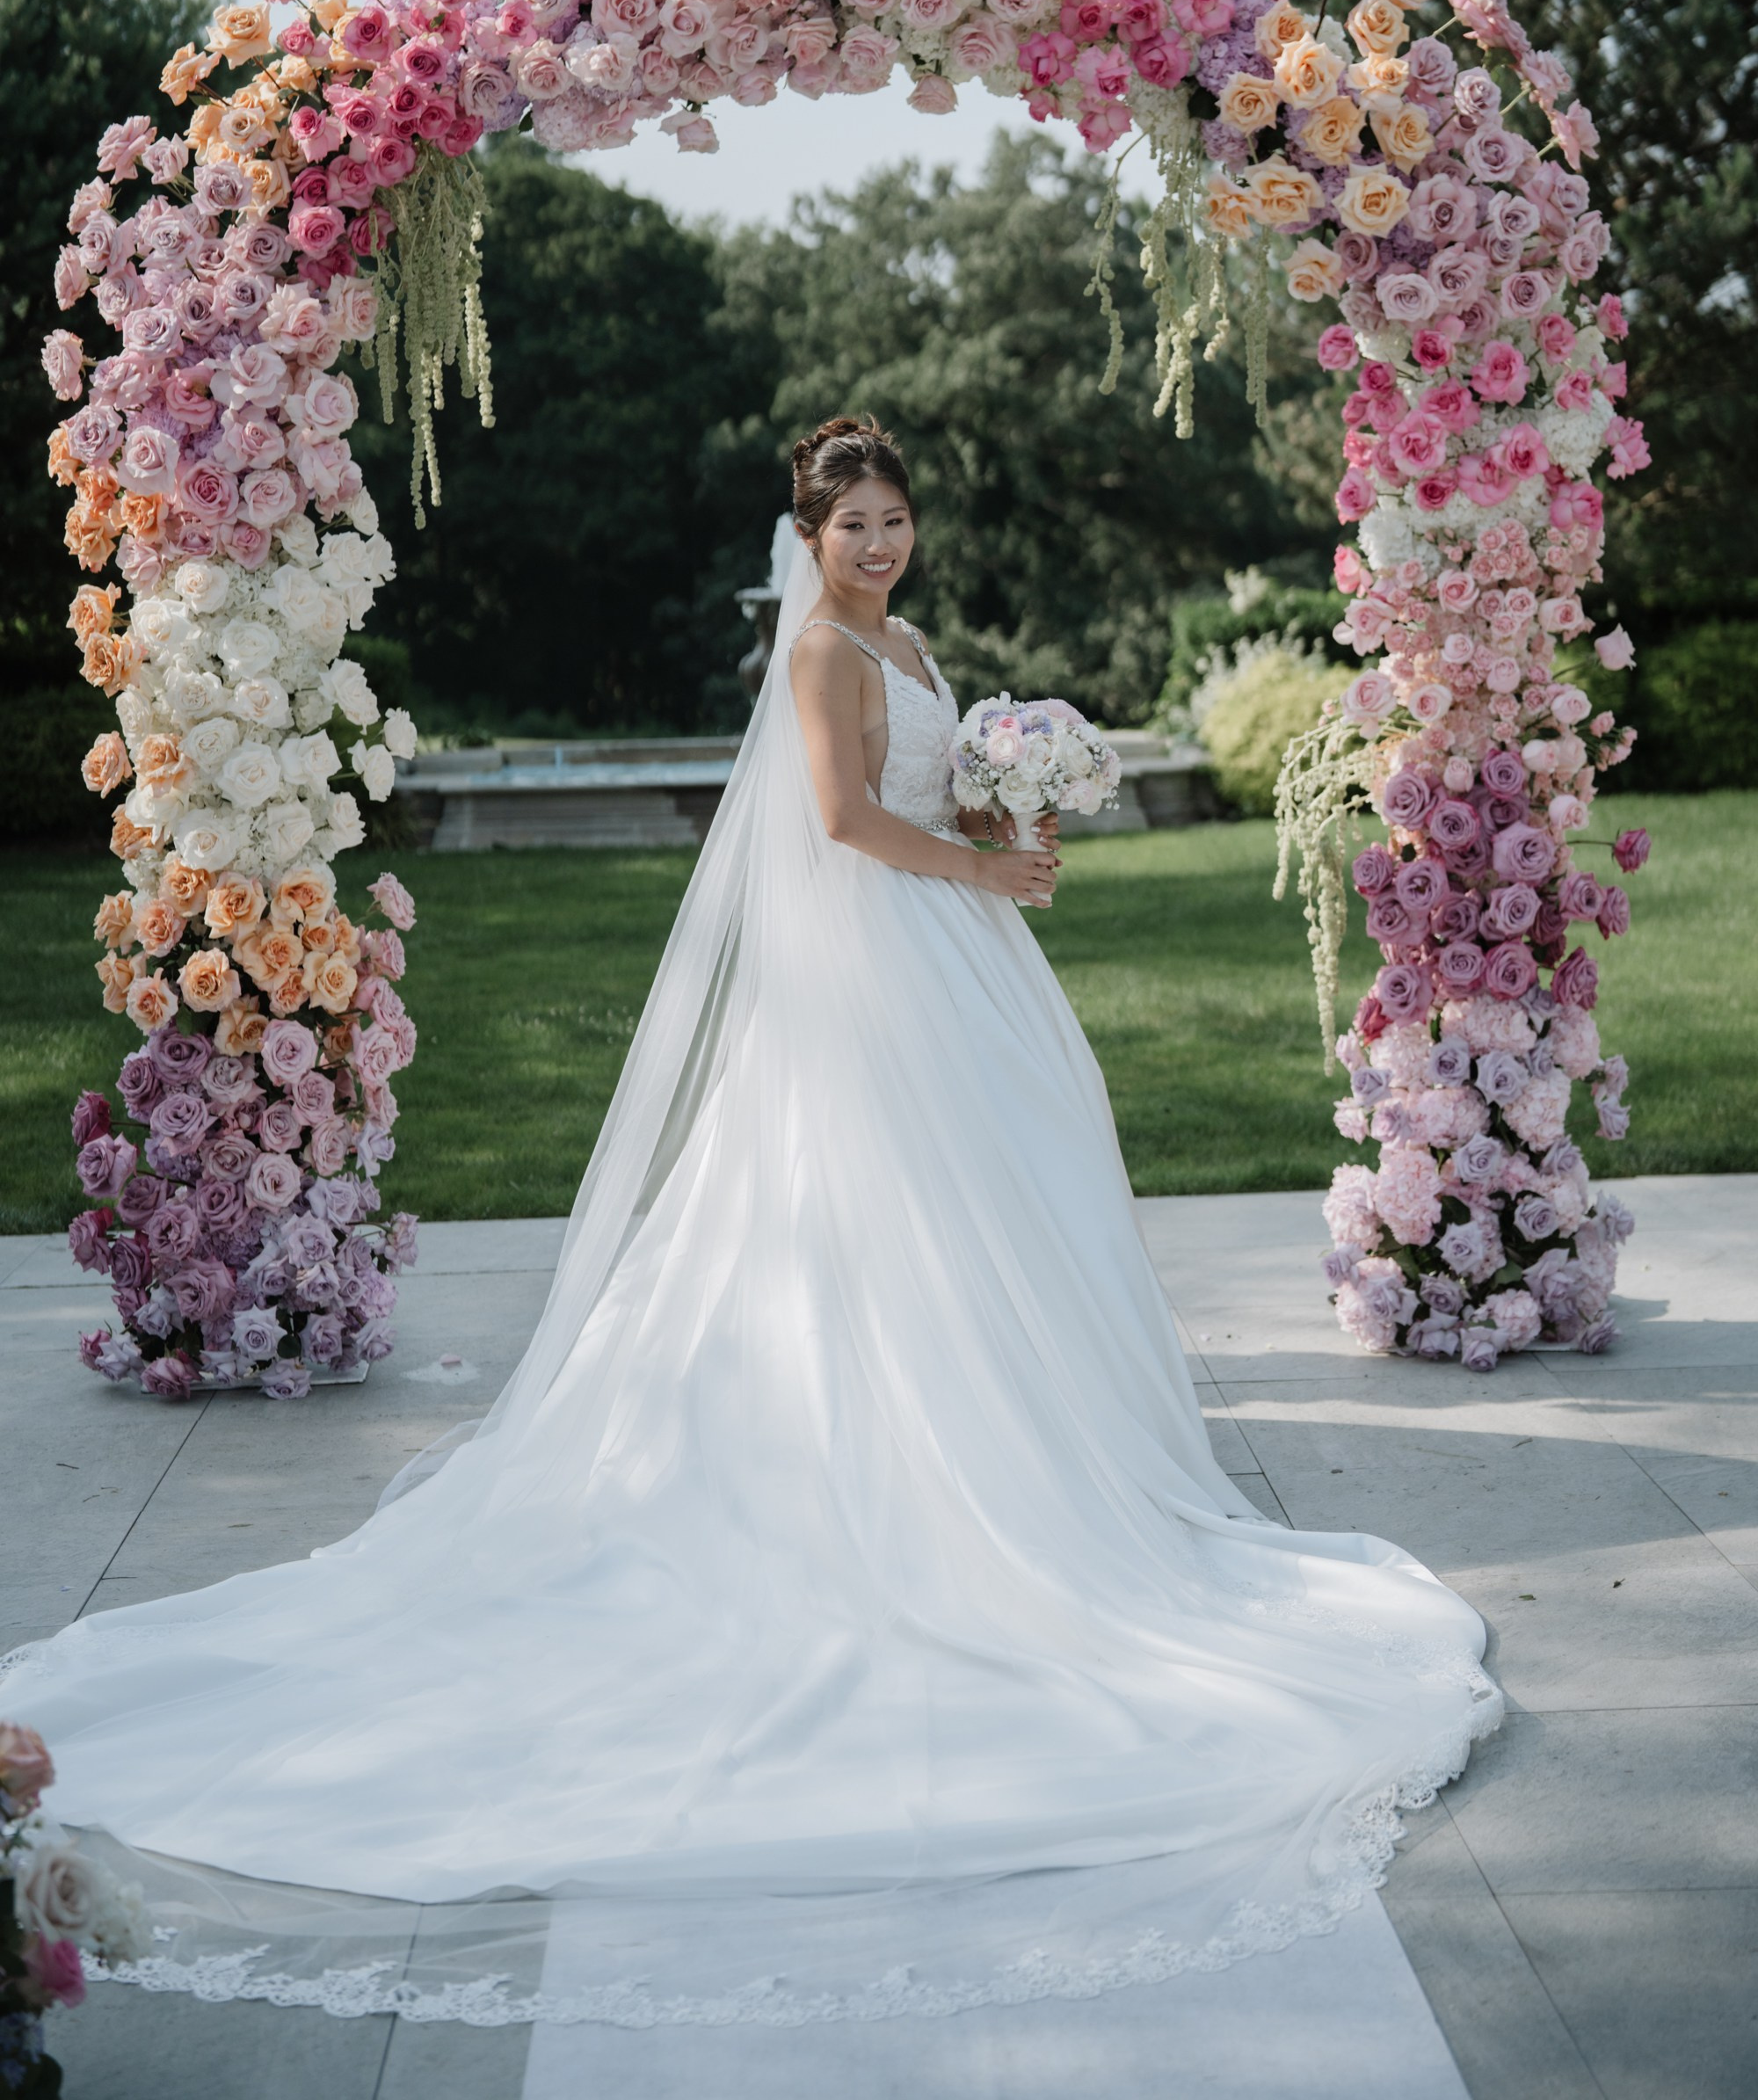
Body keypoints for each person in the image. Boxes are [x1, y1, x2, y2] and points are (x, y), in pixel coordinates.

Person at [0, 417, 1500, 2032]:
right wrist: (986, 875)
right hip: (884, 966)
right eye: (855, 522)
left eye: (897, 518)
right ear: (811, 533)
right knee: (882, 1219)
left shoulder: (908, 638)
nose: (879, 543)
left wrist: (1007, 831)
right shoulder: (819, 657)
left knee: (1001, 1222)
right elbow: (846, 827)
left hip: (954, 953)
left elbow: (926, 798)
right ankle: (889, 1483)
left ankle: (1011, 1454)